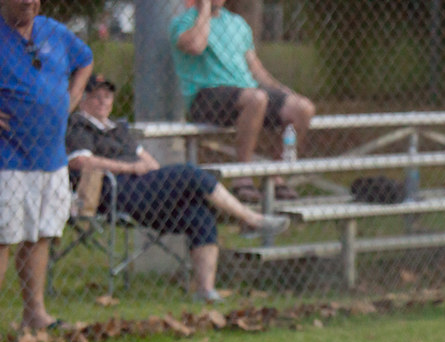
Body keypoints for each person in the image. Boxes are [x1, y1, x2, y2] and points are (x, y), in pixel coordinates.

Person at [66, 74, 290, 304]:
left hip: (144, 190)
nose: (103, 102)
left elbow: (150, 163)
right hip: (115, 192)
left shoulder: (119, 128)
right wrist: (131, 167)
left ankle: (205, 291)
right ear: (83, 100)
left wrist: (149, 172)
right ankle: (250, 218)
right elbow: (81, 162)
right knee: (189, 172)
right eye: (96, 97)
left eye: (107, 96)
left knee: (199, 213)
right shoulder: (78, 124)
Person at [0, 0, 92, 331]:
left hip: (50, 157)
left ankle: (34, 314)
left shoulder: (54, 31)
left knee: (40, 234)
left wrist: (73, 97)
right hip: (6, 158)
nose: (28, 2)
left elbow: (85, 60)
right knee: (2, 237)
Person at [170, 0, 315, 204]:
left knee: (303, 108)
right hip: (206, 96)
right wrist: (203, 10)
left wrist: (282, 91)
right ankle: (242, 178)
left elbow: (255, 68)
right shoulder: (185, 21)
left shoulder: (237, 23)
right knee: (256, 98)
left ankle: (276, 175)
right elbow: (195, 45)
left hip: (246, 94)